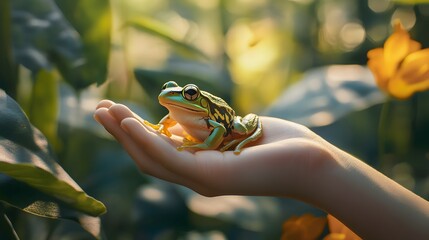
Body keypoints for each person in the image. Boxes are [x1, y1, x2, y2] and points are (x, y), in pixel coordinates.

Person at [94, 99, 429, 239]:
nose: (174, 95)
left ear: (196, 98)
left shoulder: (209, 114)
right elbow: (167, 119)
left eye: (188, 94)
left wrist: (211, 145)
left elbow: (216, 131)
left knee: (238, 127)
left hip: (231, 126)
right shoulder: (176, 109)